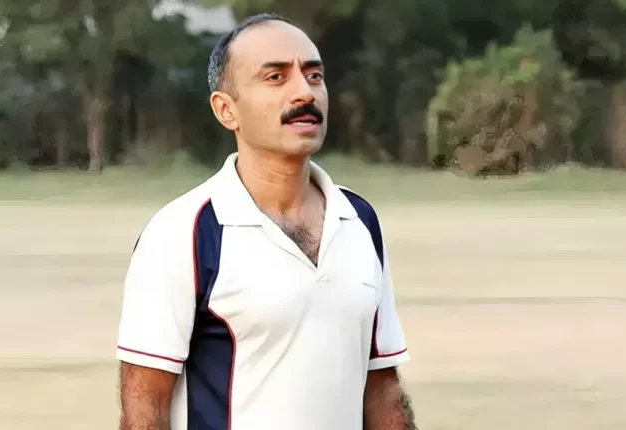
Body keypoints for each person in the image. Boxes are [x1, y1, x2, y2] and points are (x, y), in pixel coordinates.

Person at [116, 13, 417, 430]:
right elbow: (145, 410)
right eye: (276, 77)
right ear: (226, 110)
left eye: (314, 76)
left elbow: (383, 390)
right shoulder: (183, 232)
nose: (304, 92)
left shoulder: (360, 220)